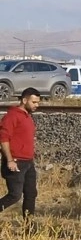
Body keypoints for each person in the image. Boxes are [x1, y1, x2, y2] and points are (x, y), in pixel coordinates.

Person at [0, 87, 41, 221]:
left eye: (38, 102)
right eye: (34, 102)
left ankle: (29, 227)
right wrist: (10, 160)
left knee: (31, 194)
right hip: (16, 162)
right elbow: (3, 138)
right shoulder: (12, 116)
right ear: (24, 100)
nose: (37, 105)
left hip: (28, 162)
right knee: (15, 195)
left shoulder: (27, 116)